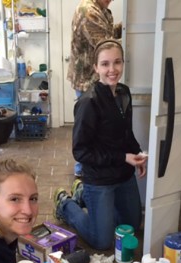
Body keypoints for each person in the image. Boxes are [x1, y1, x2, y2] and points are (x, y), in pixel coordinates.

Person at [55, 40, 147, 251]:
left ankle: (84, 197)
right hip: (99, 178)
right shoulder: (88, 103)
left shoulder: (123, 93)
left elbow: (126, 133)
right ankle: (66, 204)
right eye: (105, 64)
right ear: (96, 67)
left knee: (131, 226)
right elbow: (80, 151)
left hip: (123, 175)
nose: (112, 69)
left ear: (123, 63)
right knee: (102, 241)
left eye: (117, 62)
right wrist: (123, 157)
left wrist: (137, 154)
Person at [67, 0, 122, 177]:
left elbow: (108, 32)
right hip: (88, 81)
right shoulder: (88, 11)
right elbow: (106, 46)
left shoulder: (101, 10)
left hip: (96, 78)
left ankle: (87, 172)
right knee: (87, 132)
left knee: (95, 129)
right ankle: (82, 176)